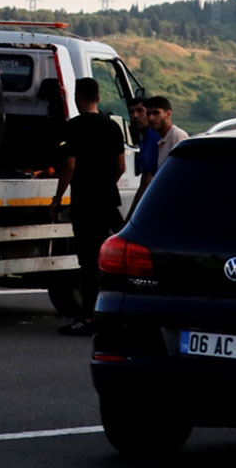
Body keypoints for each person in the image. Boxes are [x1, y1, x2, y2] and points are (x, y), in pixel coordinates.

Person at [49, 78, 125, 336]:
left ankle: (88, 318)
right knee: (109, 259)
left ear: (78, 97)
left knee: (88, 262)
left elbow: (69, 165)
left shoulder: (74, 127)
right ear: (98, 98)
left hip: (85, 202)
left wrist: (58, 198)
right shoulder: (113, 126)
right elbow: (122, 166)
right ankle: (111, 313)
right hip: (108, 201)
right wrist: (105, 184)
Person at [126, 96, 159, 219]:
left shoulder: (153, 136)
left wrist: (132, 217)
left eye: (140, 111)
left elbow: (147, 182)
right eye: (131, 112)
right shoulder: (145, 139)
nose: (135, 116)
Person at [145, 95, 189, 170]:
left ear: (168, 114)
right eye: (148, 114)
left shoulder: (177, 136)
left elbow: (183, 168)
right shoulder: (162, 139)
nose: (151, 118)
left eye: (156, 113)